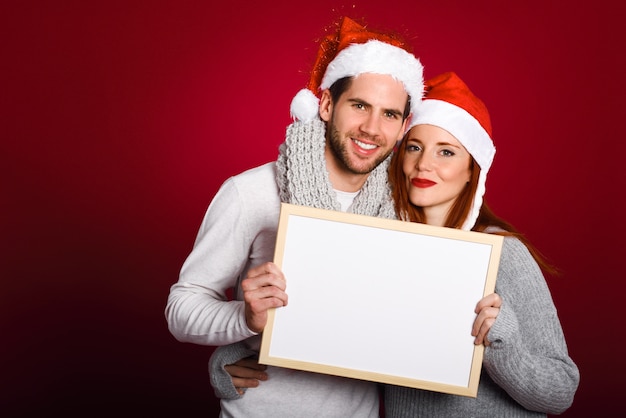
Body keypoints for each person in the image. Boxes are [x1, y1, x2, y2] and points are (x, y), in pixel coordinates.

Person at [213, 71, 581, 417]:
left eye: (447, 152)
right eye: (415, 147)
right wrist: (229, 358)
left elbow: (561, 391)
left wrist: (501, 341)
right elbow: (333, 328)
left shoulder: (502, 253)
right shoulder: (384, 247)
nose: (424, 165)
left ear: (473, 169)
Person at [165, 16, 425, 417]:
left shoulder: (409, 210)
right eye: (359, 105)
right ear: (325, 104)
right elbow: (182, 309)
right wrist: (247, 318)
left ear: (404, 125)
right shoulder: (250, 192)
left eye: (389, 114)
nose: (372, 128)